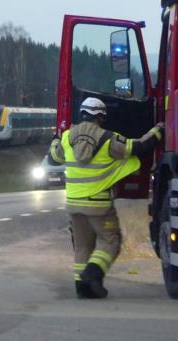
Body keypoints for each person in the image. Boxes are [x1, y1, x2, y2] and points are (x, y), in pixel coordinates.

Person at [48, 97, 164, 299]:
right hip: (97, 203)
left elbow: (54, 157)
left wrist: (55, 139)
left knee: (83, 246)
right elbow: (138, 148)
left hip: (74, 203)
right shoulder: (107, 139)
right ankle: (90, 276)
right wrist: (157, 131)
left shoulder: (67, 137)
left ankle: (81, 288)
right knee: (110, 241)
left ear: (82, 114)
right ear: (101, 117)